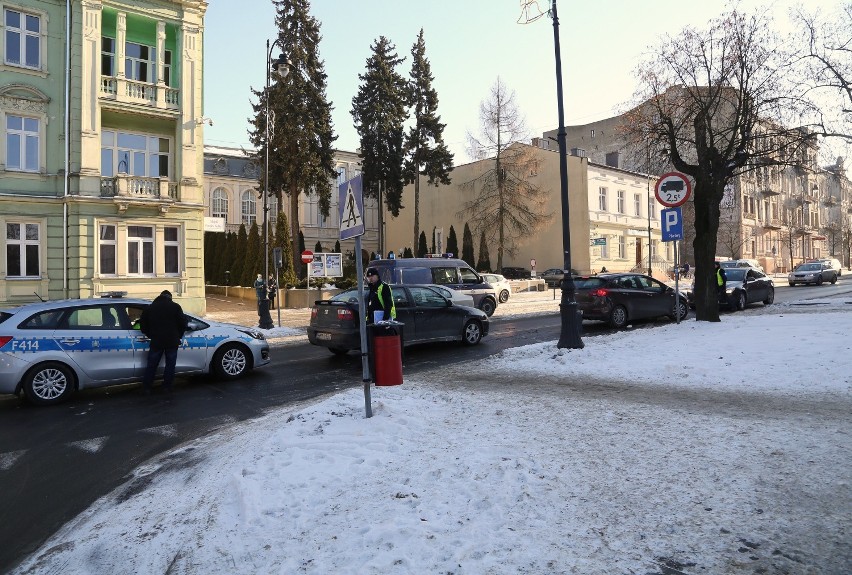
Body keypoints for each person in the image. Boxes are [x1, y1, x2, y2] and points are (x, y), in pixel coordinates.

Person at [139, 290, 188, 395]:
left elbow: (143, 326)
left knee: (152, 365)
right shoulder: (175, 307)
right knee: (170, 365)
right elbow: (183, 323)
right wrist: (178, 335)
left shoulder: (150, 308)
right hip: (172, 341)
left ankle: (147, 387)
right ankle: (167, 387)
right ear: (170, 297)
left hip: (156, 341)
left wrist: (150, 335)